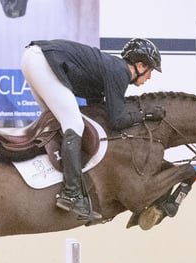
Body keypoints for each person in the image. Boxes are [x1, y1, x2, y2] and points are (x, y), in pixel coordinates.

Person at [21, 38, 163, 221]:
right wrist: (146, 115)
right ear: (140, 65)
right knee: (74, 124)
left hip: (33, 58)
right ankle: (71, 193)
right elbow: (117, 120)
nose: (149, 77)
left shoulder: (111, 69)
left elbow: (98, 109)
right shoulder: (120, 71)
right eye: (150, 70)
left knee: (59, 121)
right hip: (43, 60)